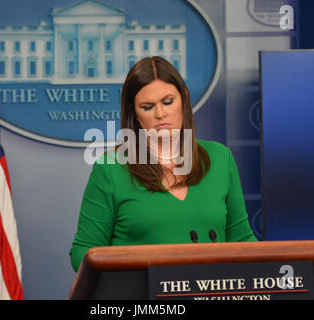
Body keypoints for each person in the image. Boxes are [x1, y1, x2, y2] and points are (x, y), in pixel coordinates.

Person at [69, 56, 257, 273]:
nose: (160, 114)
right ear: (135, 114)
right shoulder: (111, 168)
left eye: (168, 102)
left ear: (184, 99)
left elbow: (242, 241)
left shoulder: (220, 158)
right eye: (148, 107)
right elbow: (82, 252)